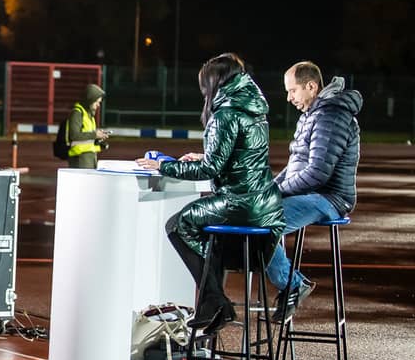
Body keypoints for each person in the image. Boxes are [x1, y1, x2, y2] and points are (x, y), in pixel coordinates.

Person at [137, 53, 284, 333]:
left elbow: (210, 169)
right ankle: (213, 303)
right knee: (207, 234)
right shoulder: (253, 108)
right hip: (266, 204)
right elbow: (242, 155)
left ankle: (215, 302)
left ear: (214, 83)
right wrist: (205, 155)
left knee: (179, 225)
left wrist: (164, 165)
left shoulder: (226, 113)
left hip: (240, 203)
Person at [266, 61, 362, 322]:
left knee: (262, 218)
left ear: (311, 86)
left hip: (330, 198)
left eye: (293, 90)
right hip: (312, 194)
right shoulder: (312, 115)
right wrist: (269, 189)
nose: (289, 98)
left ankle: (293, 285)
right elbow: (294, 167)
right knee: (258, 211)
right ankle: (290, 283)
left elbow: (317, 174)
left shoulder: (331, 116)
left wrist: (277, 193)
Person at [66, 83, 110, 169]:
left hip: (88, 158)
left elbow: (87, 136)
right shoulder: (77, 113)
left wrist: (98, 137)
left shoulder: (89, 114)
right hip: (80, 158)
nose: (98, 105)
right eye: (96, 102)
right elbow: (74, 135)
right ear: (90, 100)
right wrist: (95, 134)